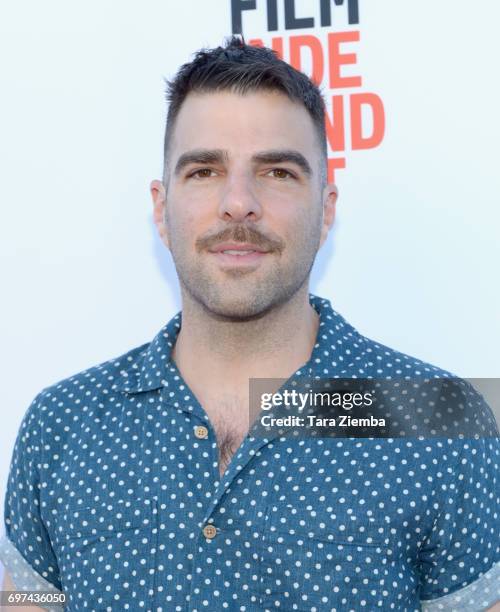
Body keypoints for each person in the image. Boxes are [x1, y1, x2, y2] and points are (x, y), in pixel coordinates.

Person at [1, 36, 499, 612]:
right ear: (161, 210)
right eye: (205, 171)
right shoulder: (62, 424)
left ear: (327, 208)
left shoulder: (436, 418)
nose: (239, 203)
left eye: (279, 173)